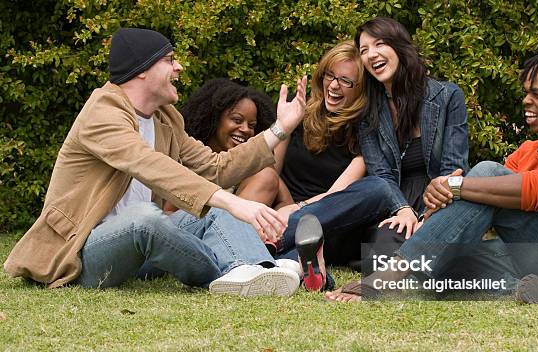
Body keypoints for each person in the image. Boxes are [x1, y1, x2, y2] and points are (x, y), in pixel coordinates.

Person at [3, 27, 308, 297]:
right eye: (170, 59)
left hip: (142, 251)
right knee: (144, 218)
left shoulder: (166, 118)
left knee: (213, 211)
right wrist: (233, 201)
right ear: (142, 69)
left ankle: (257, 267)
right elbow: (147, 163)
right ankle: (229, 272)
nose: (179, 67)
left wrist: (279, 129)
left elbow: (216, 168)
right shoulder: (102, 113)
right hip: (84, 253)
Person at [327, 50, 538, 302]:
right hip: (534, 257)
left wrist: (453, 185)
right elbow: (484, 203)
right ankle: (526, 289)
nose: (526, 101)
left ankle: (390, 277)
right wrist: (438, 202)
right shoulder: (527, 151)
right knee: (445, 259)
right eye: (525, 92)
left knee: (486, 173)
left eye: (537, 94)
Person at [270, 41, 393, 291]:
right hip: (283, 213)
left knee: (378, 189)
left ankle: (276, 249)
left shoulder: (366, 132)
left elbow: (336, 196)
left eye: (346, 81)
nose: (334, 86)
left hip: (330, 221)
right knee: (306, 240)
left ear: (362, 89)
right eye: (330, 75)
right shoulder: (300, 108)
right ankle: (297, 265)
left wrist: (295, 210)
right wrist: (283, 203)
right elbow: (271, 169)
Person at [350, 17, 470, 269]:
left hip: (440, 201)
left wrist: (430, 216)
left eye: (379, 44)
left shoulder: (447, 97)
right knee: (379, 250)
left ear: (399, 46)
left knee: (438, 250)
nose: (371, 55)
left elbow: (453, 168)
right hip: (395, 205)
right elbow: (381, 174)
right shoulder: (367, 114)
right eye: (363, 50)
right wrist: (402, 209)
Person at [178, 78, 279, 207]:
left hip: (240, 223)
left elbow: (285, 201)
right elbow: (168, 211)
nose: (245, 129)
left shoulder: (252, 164)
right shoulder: (193, 158)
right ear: (214, 118)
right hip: (195, 224)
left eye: (252, 125)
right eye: (237, 120)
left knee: (267, 174)